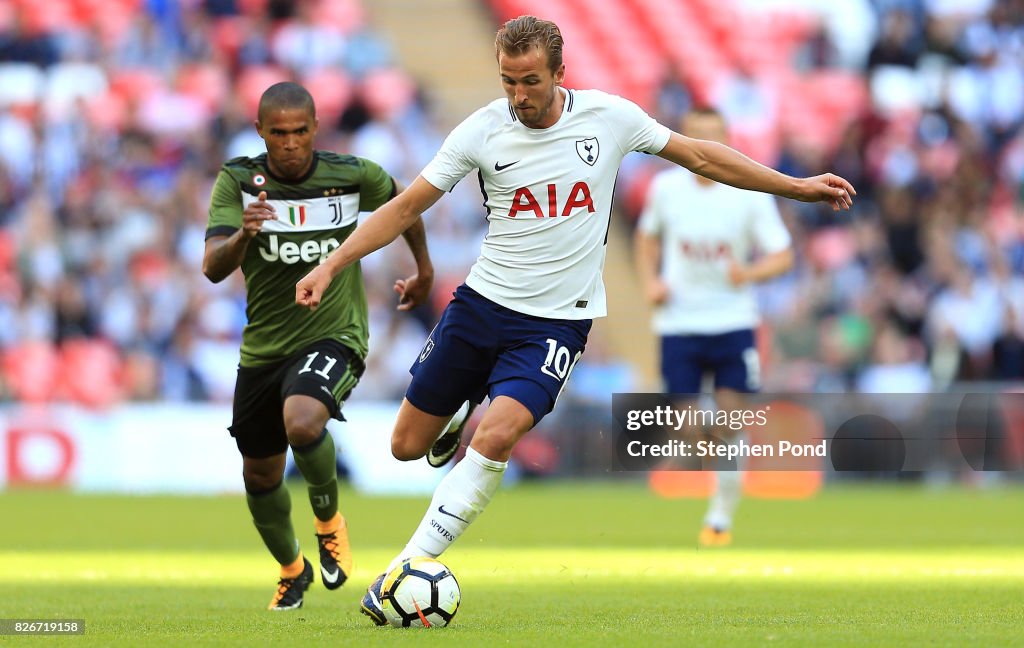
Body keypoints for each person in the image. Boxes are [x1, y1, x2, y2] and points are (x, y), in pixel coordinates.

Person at [293, 15, 855, 624]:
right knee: (405, 447)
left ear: (561, 73)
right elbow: (405, 206)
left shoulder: (608, 119)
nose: (518, 96)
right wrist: (332, 263)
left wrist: (795, 187)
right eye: (508, 81)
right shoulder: (483, 130)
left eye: (530, 81)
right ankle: (458, 407)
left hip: (556, 324)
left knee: (498, 435)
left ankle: (402, 569)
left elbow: (699, 155)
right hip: (481, 308)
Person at [202, 81, 433, 611]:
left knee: (303, 422)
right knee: (259, 476)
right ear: (261, 132)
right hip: (263, 348)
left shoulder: (351, 175)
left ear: (315, 129)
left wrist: (423, 270)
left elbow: (407, 205)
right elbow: (213, 268)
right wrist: (242, 235)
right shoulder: (238, 180)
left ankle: (330, 522)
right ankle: (292, 569)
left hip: (335, 332)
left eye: (299, 132)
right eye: (278, 133)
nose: (289, 143)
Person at [634, 107, 795, 547]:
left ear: (727, 139)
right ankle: (713, 465)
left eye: (713, 137)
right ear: (684, 139)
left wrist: (749, 274)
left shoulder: (749, 193)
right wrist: (651, 281)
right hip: (679, 324)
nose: (705, 145)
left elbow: (782, 254)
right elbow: (646, 237)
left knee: (731, 421)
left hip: (733, 323)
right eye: (696, 136)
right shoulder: (666, 189)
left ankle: (721, 517)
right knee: (687, 426)